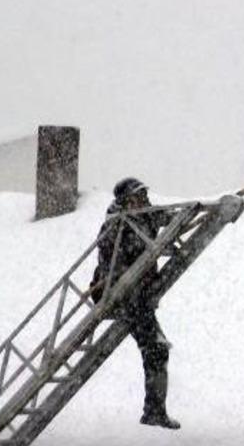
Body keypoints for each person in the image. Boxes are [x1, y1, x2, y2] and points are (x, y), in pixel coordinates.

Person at [90, 177, 181, 429]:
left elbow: (166, 216)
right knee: (156, 349)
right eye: (137, 196)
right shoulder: (115, 227)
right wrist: (135, 284)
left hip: (138, 296)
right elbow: (113, 270)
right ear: (124, 200)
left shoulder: (142, 216)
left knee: (157, 350)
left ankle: (154, 410)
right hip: (120, 297)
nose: (143, 200)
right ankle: (153, 412)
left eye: (143, 195)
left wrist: (185, 214)